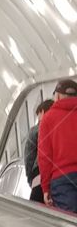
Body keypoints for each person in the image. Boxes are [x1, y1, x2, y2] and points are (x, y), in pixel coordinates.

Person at [38, 78, 77, 212]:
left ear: (58, 96)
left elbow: (44, 156)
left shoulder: (48, 119)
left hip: (62, 180)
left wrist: (45, 188)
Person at [24, 100, 54, 203]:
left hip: (39, 177)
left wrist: (30, 178)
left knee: (35, 213)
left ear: (42, 111)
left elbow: (28, 157)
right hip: (58, 178)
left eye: (38, 115)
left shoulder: (36, 130)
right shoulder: (59, 128)